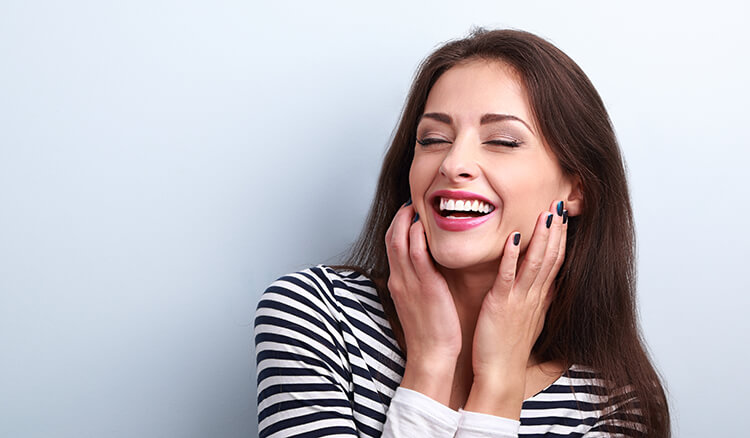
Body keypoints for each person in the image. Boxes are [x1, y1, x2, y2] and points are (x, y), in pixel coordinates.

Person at [254, 28, 670, 437]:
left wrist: (498, 384)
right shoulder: (316, 315)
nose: (453, 163)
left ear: (576, 188)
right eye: (433, 139)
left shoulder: (612, 405)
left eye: (503, 141)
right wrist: (430, 365)